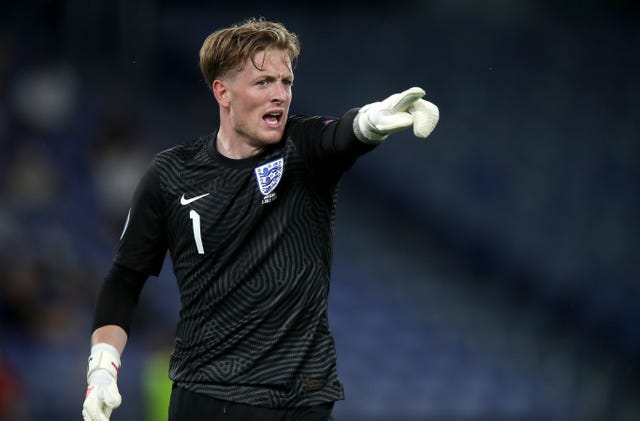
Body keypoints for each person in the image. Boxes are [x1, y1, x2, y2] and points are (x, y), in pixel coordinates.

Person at [81, 17, 439, 421]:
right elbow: (124, 279)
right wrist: (102, 369)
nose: (280, 95)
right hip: (211, 396)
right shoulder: (170, 175)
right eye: (263, 82)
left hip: (305, 397)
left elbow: (340, 136)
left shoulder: (302, 147)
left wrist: (372, 122)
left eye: (286, 82)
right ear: (223, 92)